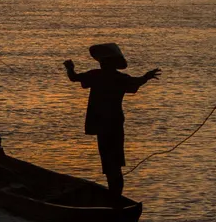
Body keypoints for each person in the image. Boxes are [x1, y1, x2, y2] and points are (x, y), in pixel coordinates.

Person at [64, 43, 160, 203]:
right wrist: (147, 77)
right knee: (115, 164)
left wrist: (69, 67)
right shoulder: (120, 78)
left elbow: (74, 78)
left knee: (110, 165)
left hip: (103, 125)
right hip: (115, 124)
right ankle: (115, 198)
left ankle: (114, 199)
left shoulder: (96, 75)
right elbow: (135, 83)